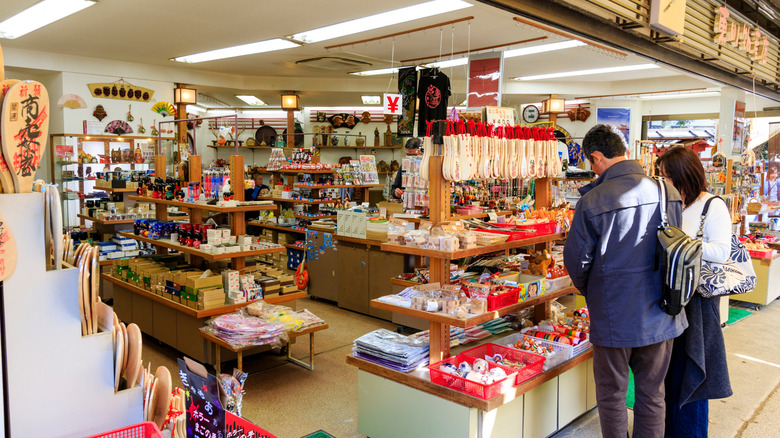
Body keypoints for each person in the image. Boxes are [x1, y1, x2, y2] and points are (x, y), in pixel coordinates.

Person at [563, 124, 687, 438]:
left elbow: (577, 262)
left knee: (612, 393)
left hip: (613, 314)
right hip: (661, 309)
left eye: (591, 163)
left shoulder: (592, 200)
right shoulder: (666, 191)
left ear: (596, 157)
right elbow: (674, 246)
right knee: (651, 392)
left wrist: (593, 292)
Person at [656, 146, 733, 437]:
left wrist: (682, 247)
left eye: (667, 176)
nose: (664, 181)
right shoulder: (670, 204)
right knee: (667, 373)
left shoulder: (713, 205)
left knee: (693, 373)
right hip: (670, 297)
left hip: (698, 301)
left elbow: (722, 251)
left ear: (683, 175)